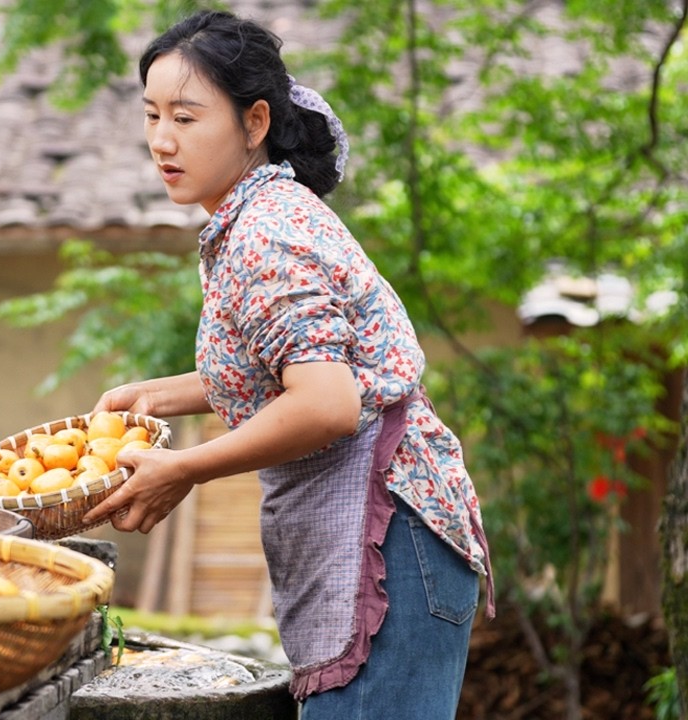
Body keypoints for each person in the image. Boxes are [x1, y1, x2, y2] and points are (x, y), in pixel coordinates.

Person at [79, 9, 495, 719]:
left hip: (391, 541)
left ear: (255, 122)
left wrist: (182, 469)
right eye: (152, 115)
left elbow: (326, 404)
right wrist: (150, 395)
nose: (162, 140)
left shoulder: (266, 233)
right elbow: (286, 372)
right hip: (394, 546)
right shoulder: (256, 218)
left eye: (186, 116)